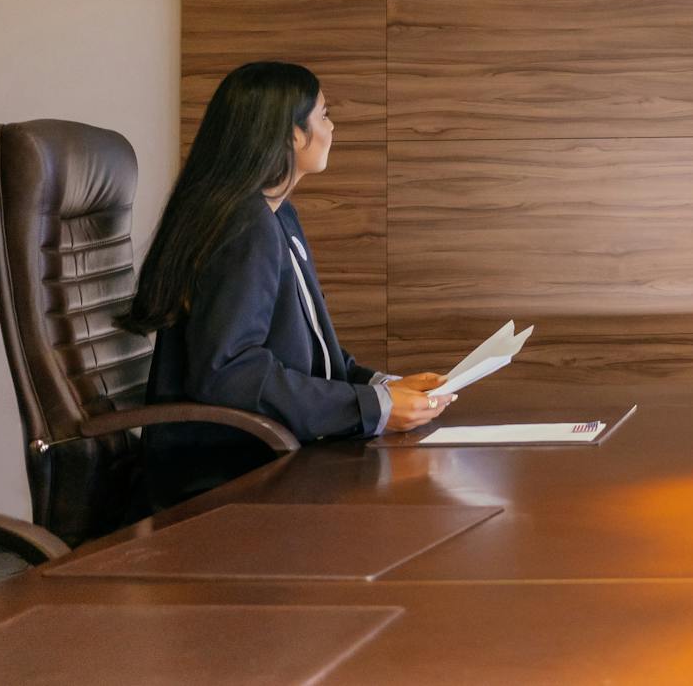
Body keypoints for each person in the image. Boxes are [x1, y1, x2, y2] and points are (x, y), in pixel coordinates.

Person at [123, 61, 454, 501]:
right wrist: (371, 409)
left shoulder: (275, 217)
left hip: (273, 450)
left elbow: (305, 351)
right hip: (228, 476)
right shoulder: (243, 226)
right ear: (290, 134)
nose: (332, 127)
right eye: (323, 115)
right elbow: (229, 371)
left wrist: (381, 388)